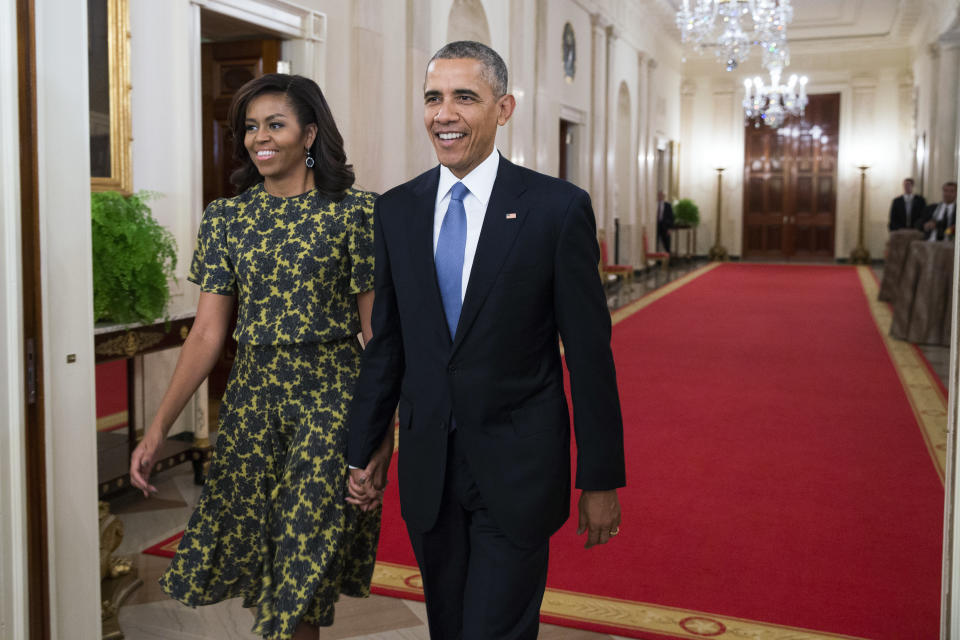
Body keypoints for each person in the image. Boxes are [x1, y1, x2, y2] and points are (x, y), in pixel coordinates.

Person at [345, 41, 626, 639]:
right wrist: (366, 445)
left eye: (464, 97)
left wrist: (600, 477)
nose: (444, 114)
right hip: (430, 469)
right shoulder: (396, 210)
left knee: (495, 631)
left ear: (503, 109)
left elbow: (589, 355)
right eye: (433, 98)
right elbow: (388, 341)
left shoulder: (555, 209)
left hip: (518, 468)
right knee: (448, 626)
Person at [128, 73, 394, 640]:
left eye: (275, 124)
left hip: (332, 400)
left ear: (310, 133)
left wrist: (382, 438)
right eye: (250, 126)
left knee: (303, 557)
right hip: (251, 405)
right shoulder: (227, 219)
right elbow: (205, 335)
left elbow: (378, 337)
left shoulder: (357, 213)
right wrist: (157, 430)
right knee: (266, 561)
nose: (259, 137)